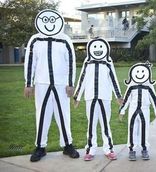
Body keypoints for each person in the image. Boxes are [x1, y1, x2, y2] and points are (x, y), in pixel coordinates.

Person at [24, 9, 79, 162]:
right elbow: (30, 63)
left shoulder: (65, 39)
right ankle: (40, 147)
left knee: (63, 114)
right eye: (46, 21)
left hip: (61, 84)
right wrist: (28, 83)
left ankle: (68, 145)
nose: (50, 24)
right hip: (41, 84)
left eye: (53, 21)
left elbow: (71, 62)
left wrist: (70, 83)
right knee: (42, 115)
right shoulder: (35, 40)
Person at [73, 38, 123, 161]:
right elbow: (82, 79)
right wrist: (77, 96)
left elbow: (113, 78)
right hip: (90, 97)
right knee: (91, 125)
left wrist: (118, 95)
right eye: (95, 47)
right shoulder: (87, 62)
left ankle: (108, 149)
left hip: (105, 97)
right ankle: (90, 149)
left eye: (100, 47)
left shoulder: (108, 61)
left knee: (105, 124)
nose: (98, 50)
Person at [119, 61, 156, 161]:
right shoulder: (131, 86)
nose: (140, 74)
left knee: (144, 129)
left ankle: (144, 148)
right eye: (137, 72)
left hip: (144, 110)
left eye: (143, 72)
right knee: (132, 129)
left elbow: (154, 98)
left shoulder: (148, 86)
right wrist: (122, 111)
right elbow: (127, 99)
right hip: (133, 110)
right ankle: (132, 149)